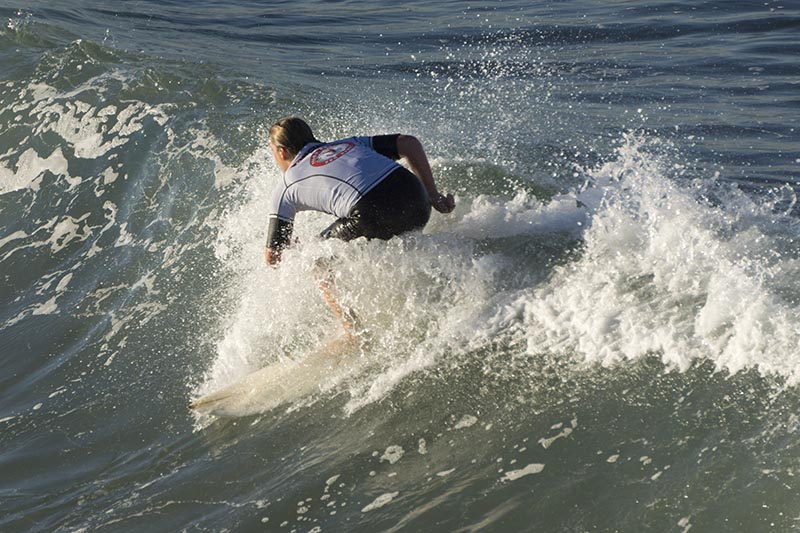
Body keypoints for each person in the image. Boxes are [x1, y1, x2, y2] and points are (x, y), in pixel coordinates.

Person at [264, 116, 455, 332]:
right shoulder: (349, 143)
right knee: (363, 235)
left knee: (316, 259)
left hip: (375, 213)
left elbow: (273, 258)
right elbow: (409, 143)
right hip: (417, 200)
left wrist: (298, 248)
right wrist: (432, 193)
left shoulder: (286, 185)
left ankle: (353, 331)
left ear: (282, 152)